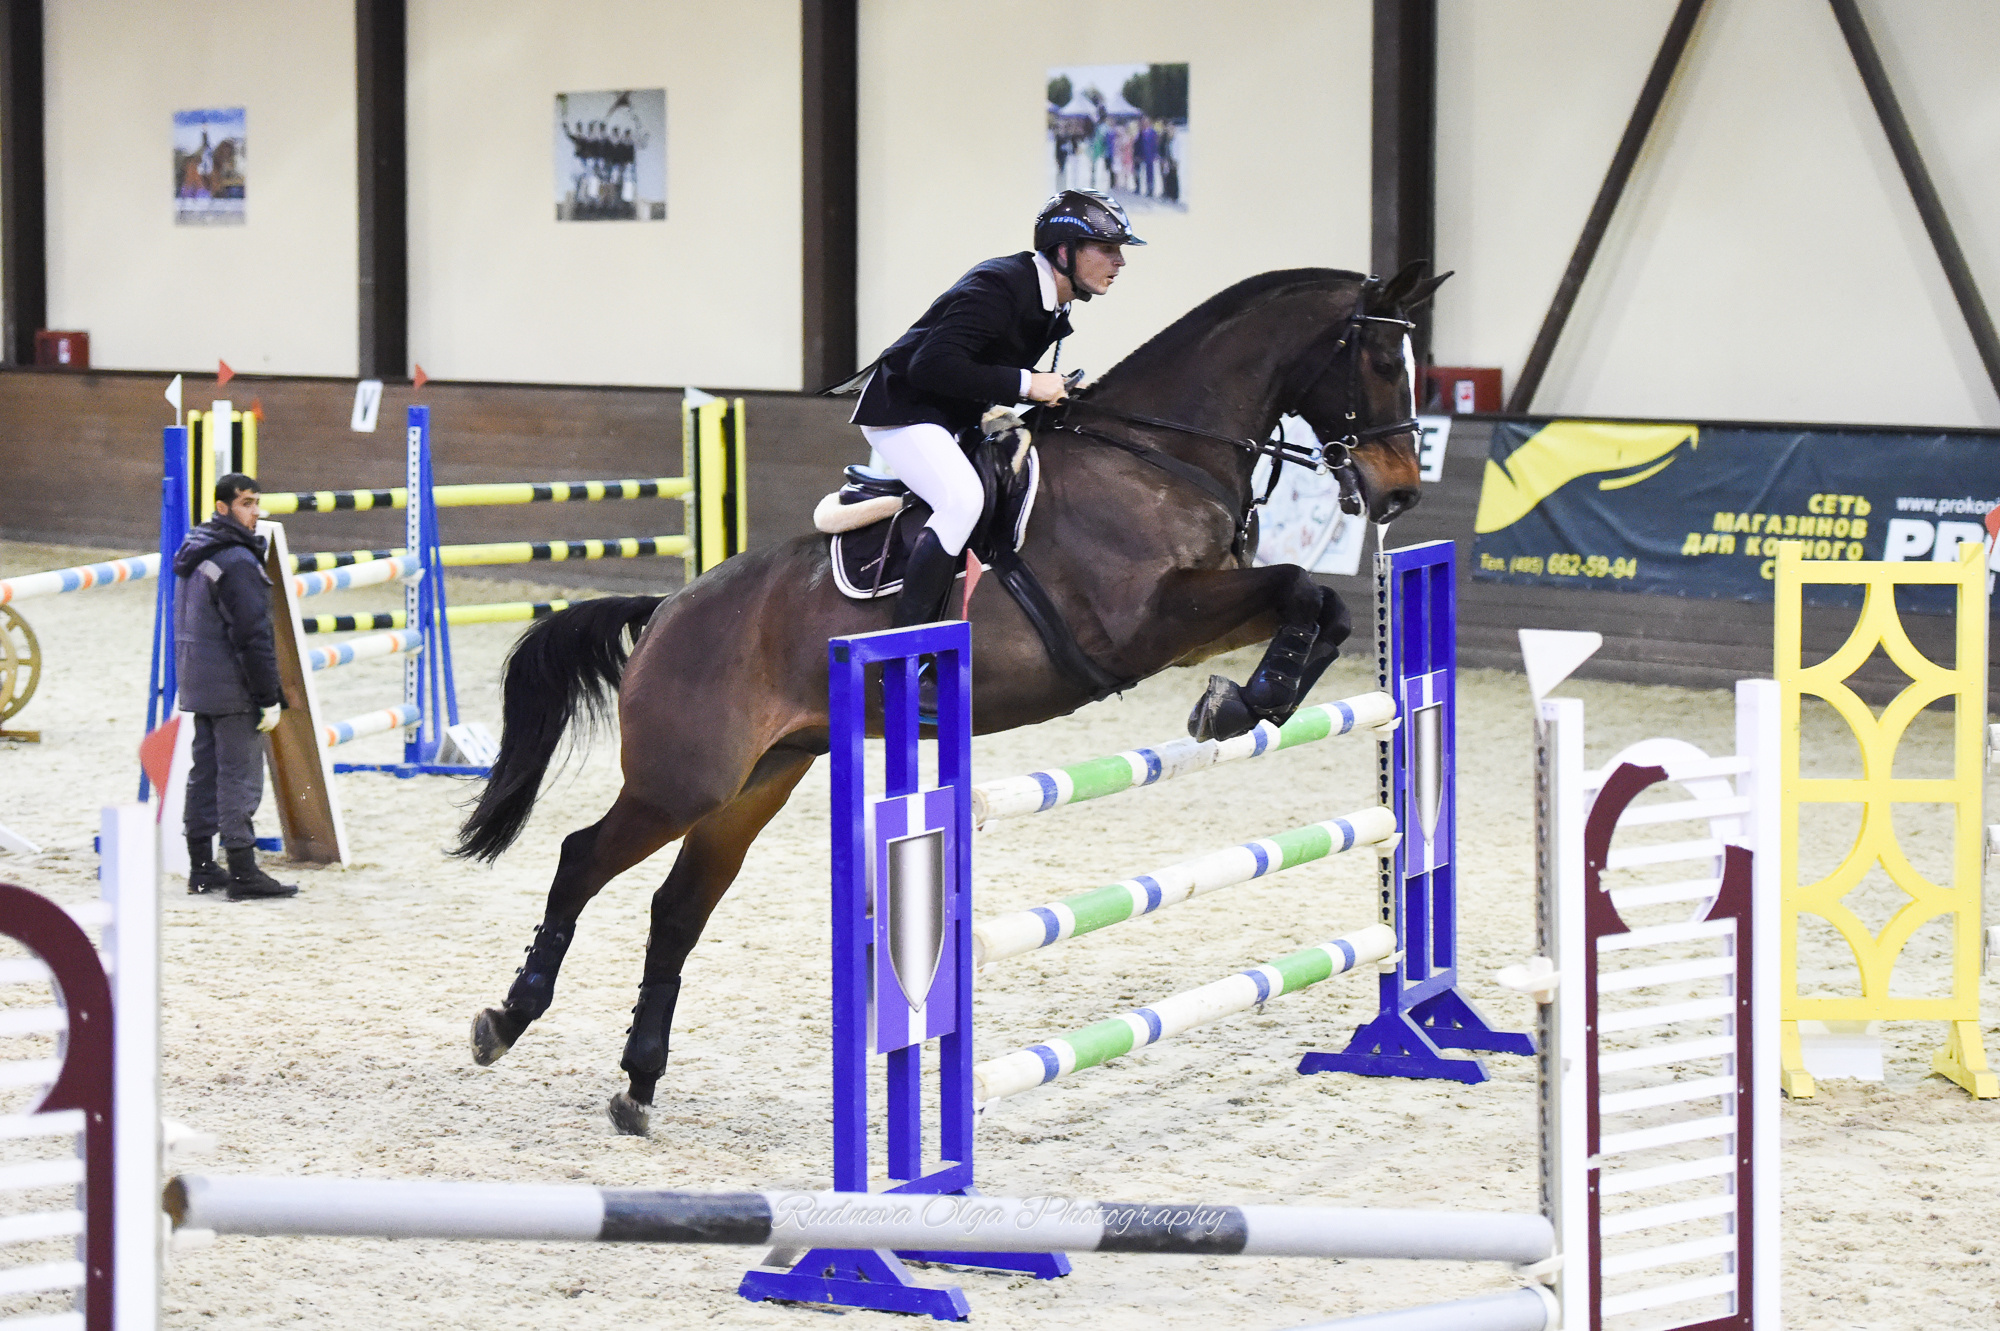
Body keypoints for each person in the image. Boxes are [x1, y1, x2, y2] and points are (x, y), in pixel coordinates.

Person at [848, 188, 1144, 626]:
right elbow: (930, 366)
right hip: (904, 412)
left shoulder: (1047, 300)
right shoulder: (1001, 284)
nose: (1119, 262)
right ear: (1064, 250)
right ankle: (908, 641)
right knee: (962, 500)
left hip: (953, 416)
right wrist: (1027, 384)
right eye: (1107, 248)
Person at [173, 473, 298, 900]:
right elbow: (253, 637)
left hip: (197, 681)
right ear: (223, 507)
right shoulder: (238, 562)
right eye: (246, 503)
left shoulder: (196, 550)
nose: (255, 512)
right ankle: (244, 872)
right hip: (232, 688)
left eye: (257, 503)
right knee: (239, 779)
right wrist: (268, 696)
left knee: (204, 775)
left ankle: (202, 866)